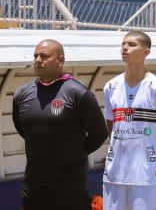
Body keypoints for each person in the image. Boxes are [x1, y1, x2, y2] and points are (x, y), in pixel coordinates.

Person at [12, 39, 108, 210]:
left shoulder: (77, 93)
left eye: (44, 56)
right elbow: (24, 130)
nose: (38, 60)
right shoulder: (22, 94)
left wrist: (76, 151)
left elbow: (99, 133)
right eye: (35, 56)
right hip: (33, 186)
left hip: (69, 187)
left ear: (60, 61)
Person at [103, 31, 156, 210]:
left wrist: (151, 160)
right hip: (114, 174)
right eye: (123, 44)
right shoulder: (110, 87)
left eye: (132, 44)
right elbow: (111, 128)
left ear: (146, 52)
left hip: (146, 177)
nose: (125, 48)